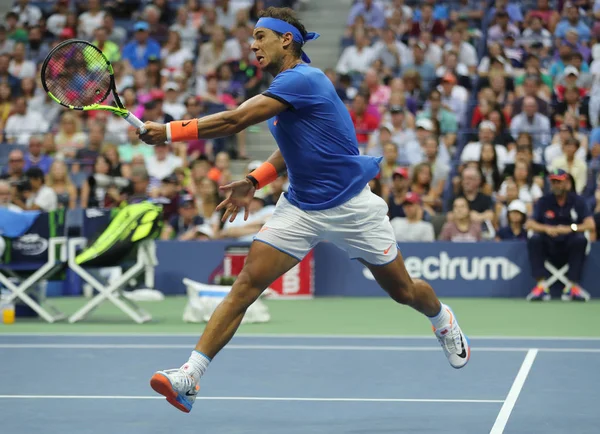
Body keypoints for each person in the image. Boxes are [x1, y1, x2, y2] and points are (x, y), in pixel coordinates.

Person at [138, 6, 470, 413]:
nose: (253, 44)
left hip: (352, 206)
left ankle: (441, 319)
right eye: (252, 37)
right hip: (301, 207)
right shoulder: (286, 88)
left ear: (286, 40)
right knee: (245, 286)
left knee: (404, 292)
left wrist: (170, 131)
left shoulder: (304, 78)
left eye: (261, 36)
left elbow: (233, 121)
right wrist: (255, 180)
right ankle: (189, 376)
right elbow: (291, 149)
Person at [525, 169, 595, 302]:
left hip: (569, 243)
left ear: (566, 183)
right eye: (554, 182)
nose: (556, 185)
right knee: (535, 239)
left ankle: (572, 286)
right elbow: (530, 224)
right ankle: (541, 286)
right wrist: (546, 228)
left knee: (580, 240)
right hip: (549, 244)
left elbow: (590, 225)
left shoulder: (578, 201)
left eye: (559, 182)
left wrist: (570, 228)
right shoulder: (543, 201)